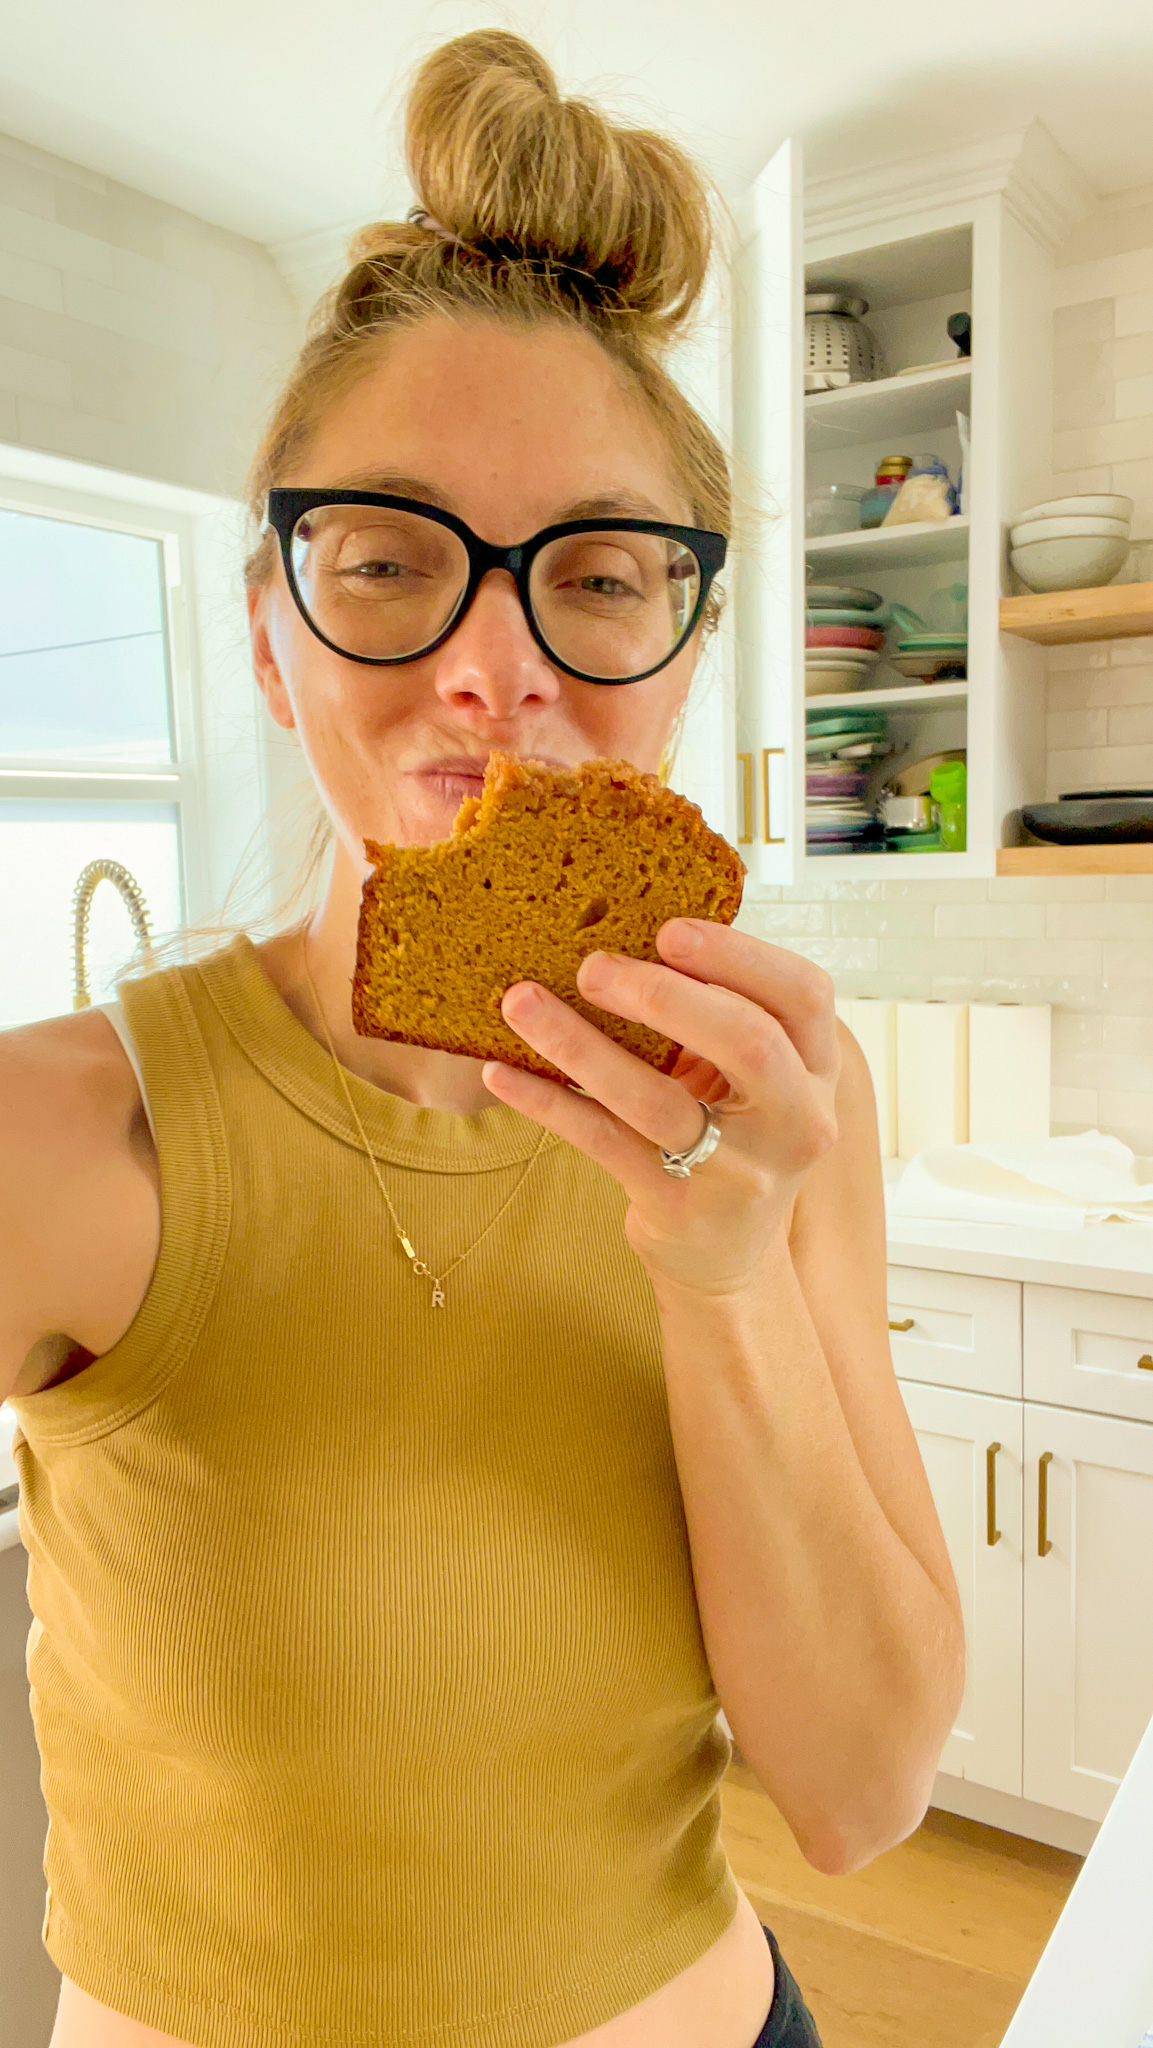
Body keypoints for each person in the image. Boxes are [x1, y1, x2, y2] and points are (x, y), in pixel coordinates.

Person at [1, 28, 965, 2048]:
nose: (490, 665)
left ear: (684, 654)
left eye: (597, 576)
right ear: (268, 638)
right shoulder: (63, 1133)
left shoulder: (776, 1114)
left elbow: (860, 1789)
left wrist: (721, 1275)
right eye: (385, 561)